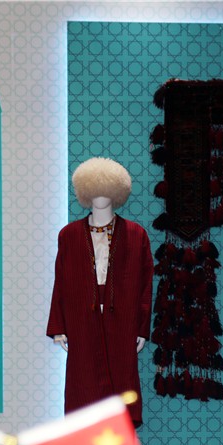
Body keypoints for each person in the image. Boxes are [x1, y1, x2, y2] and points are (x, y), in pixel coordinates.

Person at [47, 157, 153, 426]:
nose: (101, 197)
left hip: (123, 316)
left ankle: (121, 428)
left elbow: (145, 285)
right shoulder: (69, 235)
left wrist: (142, 327)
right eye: (94, 191)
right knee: (83, 377)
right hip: (81, 317)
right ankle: (84, 430)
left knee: (121, 374)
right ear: (85, 193)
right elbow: (61, 281)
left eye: (107, 190)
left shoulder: (136, 234)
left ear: (118, 193)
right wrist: (59, 326)